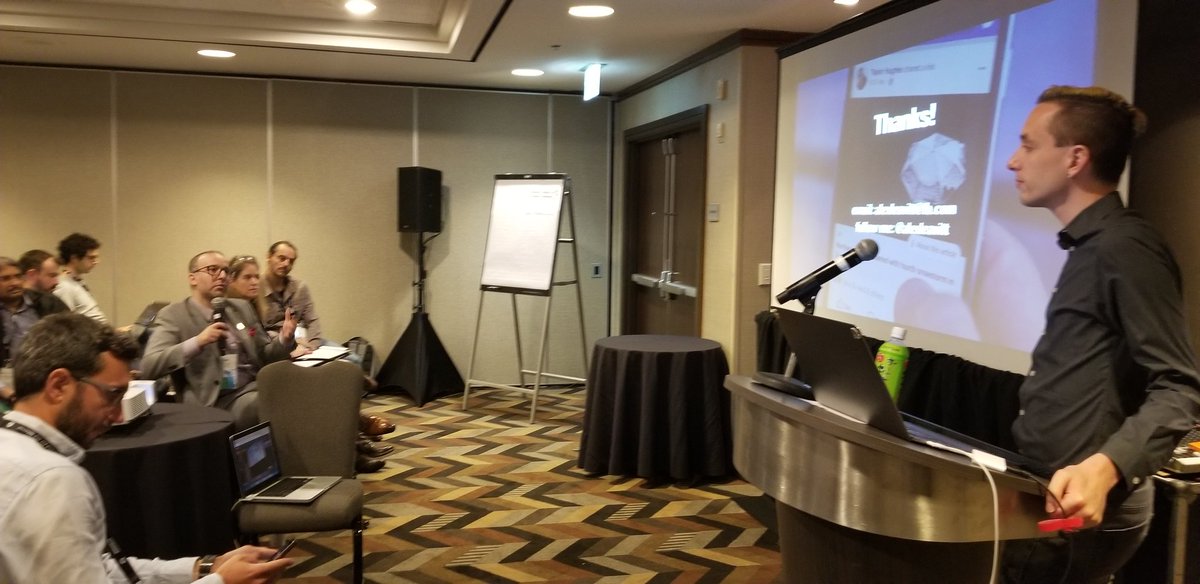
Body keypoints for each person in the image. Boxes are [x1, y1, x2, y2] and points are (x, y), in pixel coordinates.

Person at [1001, 85, 1200, 583]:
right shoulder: (1090, 247)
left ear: (1075, 159)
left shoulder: (1125, 248)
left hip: (1084, 509)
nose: (1012, 161)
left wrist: (1105, 467)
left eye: (1028, 145)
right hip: (1047, 490)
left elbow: (1180, 387)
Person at [0, 312, 292, 583]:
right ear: (59, 385)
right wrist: (221, 581)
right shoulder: (53, 480)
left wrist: (206, 567)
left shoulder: (16, 449)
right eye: (112, 395)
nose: (118, 416)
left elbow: (97, 567)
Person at [226, 255, 393, 472]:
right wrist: (288, 344)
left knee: (340, 369)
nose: (254, 282)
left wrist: (295, 341)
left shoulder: (254, 306)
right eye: (247, 277)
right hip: (262, 374)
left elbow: (308, 322)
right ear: (231, 280)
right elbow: (259, 349)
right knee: (313, 390)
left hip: (284, 355)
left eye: (256, 277)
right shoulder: (229, 312)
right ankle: (358, 436)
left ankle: (355, 444)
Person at [140, 251, 296, 430]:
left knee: (303, 387)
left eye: (225, 271)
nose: (222, 276)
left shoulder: (241, 307)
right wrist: (198, 342)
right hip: (215, 400)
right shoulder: (174, 315)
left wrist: (284, 339)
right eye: (213, 270)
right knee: (273, 403)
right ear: (193, 278)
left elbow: (264, 355)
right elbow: (149, 366)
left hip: (256, 385)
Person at [261, 241, 322, 354]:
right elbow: (258, 333)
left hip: (305, 342)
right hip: (275, 347)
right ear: (268, 257)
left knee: (350, 358)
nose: (286, 264)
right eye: (282, 258)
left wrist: (312, 345)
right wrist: (291, 345)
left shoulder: (300, 287)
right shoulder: (256, 290)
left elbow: (312, 320)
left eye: (291, 261)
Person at [53, 232, 109, 324]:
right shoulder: (64, 286)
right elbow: (65, 323)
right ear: (74, 258)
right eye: (91, 258)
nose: (96, 262)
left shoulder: (76, 282)